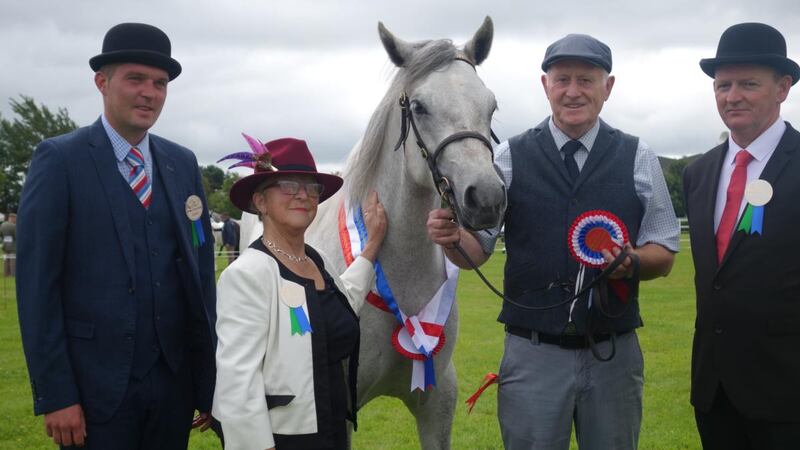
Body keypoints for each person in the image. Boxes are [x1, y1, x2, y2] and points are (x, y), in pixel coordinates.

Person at [427, 33, 679, 449]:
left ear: (607, 87)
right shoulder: (507, 156)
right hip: (532, 353)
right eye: (562, 79)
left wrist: (631, 263)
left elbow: (665, 250)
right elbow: (477, 253)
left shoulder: (638, 156)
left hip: (613, 354)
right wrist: (454, 239)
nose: (573, 91)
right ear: (545, 86)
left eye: (586, 79)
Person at [16, 23, 216, 449]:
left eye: (160, 83)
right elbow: (37, 289)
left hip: (172, 386)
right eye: (136, 79)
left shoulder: (183, 164)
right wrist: (57, 394)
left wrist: (206, 380)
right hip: (93, 393)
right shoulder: (59, 160)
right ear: (102, 83)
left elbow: (200, 279)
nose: (150, 93)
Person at [213, 136, 387, 450]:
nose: (303, 195)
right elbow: (237, 380)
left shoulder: (317, 262)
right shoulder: (247, 275)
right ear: (261, 202)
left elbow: (344, 300)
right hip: (283, 439)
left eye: (311, 188)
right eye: (289, 185)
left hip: (333, 429)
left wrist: (372, 246)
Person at [684, 22, 800, 449]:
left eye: (748, 84)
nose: (732, 96)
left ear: (783, 87)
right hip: (715, 393)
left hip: (788, 393)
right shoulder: (698, 174)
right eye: (723, 85)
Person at [1, 213, 16, 277]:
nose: (16, 220)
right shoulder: (14, 226)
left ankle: (6, 273)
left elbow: (1, 234)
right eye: (15, 219)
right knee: (13, 260)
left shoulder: (2, 224)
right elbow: (16, 236)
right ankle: (13, 274)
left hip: (5, 245)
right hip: (13, 245)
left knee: (6, 259)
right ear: (12, 218)